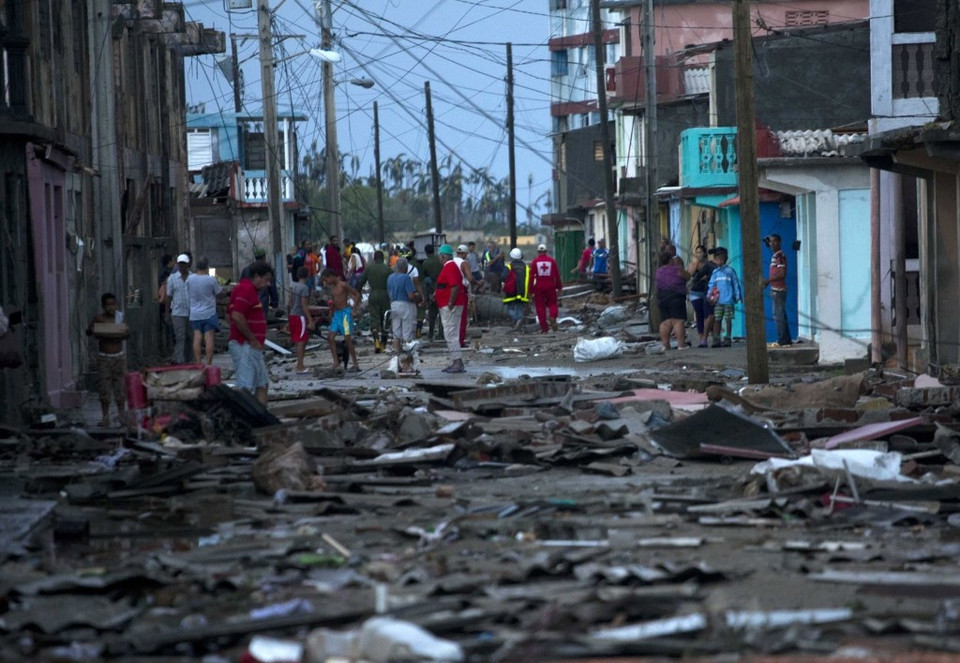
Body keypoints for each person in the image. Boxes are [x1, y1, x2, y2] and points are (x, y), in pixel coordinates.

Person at [228, 260, 273, 404]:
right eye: (266, 280)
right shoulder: (245, 289)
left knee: (262, 384)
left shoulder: (250, 291)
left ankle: (261, 419)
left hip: (251, 346)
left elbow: (230, 314)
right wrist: (252, 338)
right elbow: (236, 315)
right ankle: (246, 421)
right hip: (245, 345)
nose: (268, 284)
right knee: (246, 388)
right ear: (256, 276)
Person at [86, 293, 128, 427]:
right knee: (104, 388)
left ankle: (121, 416)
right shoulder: (99, 319)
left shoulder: (119, 318)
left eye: (113, 304)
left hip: (118, 357)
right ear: (104, 306)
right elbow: (90, 331)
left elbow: (126, 333)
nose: (111, 307)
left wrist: (119, 333)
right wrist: (96, 331)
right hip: (104, 358)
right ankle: (105, 417)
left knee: (120, 388)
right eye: (108, 305)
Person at [321, 268, 361, 373]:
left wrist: (354, 309)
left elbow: (356, 294)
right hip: (336, 314)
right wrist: (331, 312)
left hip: (345, 314)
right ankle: (336, 362)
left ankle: (355, 363)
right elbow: (334, 301)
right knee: (330, 337)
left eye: (326, 280)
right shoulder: (332, 288)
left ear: (331, 276)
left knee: (347, 339)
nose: (326, 282)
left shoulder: (342, 285)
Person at [435, 244, 466, 373]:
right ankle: (456, 361)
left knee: (450, 334)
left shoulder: (449, 267)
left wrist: (450, 302)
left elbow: (455, 286)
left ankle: (457, 362)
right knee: (452, 333)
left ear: (443, 256)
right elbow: (447, 285)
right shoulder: (451, 267)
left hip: (450, 306)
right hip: (450, 304)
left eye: (439, 256)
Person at [187, 256, 222, 366]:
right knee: (209, 338)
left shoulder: (190, 279)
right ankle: (209, 364)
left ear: (196, 266)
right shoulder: (210, 279)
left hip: (195, 313)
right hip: (209, 313)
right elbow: (219, 293)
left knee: (197, 337)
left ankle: (198, 363)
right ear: (207, 266)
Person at [705, 247, 742, 348]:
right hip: (718, 301)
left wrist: (737, 296)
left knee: (728, 320)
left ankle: (727, 338)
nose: (717, 262)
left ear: (723, 259)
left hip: (729, 301)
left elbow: (735, 284)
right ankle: (716, 339)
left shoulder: (730, 271)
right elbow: (711, 286)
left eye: (718, 259)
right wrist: (709, 296)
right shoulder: (715, 273)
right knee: (717, 319)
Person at [163, 253, 194, 364]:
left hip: (191, 313)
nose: (182, 266)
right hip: (177, 313)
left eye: (184, 264)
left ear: (187, 265)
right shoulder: (172, 278)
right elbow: (169, 296)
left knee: (190, 337)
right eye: (180, 264)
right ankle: (178, 360)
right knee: (180, 337)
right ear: (177, 264)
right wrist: (167, 314)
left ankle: (189, 359)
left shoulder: (192, 277)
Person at [762, 233, 792, 347]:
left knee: (778, 315)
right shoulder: (775, 255)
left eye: (774, 241)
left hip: (778, 289)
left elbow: (782, 273)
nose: (772, 243)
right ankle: (786, 339)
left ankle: (782, 340)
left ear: (779, 242)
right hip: (775, 288)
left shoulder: (780, 256)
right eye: (770, 241)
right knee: (781, 315)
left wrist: (768, 280)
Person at [656, 252, 690, 350]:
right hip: (676, 296)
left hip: (662, 297)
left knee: (665, 322)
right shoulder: (677, 269)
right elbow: (688, 276)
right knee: (678, 321)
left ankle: (665, 345)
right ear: (670, 260)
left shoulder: (658, 271)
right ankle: (681, 345)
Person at [359, 250, 392, 353]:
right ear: (383, 258)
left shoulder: (369, 268)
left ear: (374, 258)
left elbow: (361, 281)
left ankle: (376, 342)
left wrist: (358, 292)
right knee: (385, 319)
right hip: (385, 295)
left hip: (373, 295)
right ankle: (383, 344)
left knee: (374, 319)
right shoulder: (388, 269)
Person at [387, 258, 418, 354]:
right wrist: (417, 296)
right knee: (407, 332)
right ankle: (406, 358)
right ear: (405, 268)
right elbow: (411, 295)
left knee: (396, 332)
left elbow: (388, 293)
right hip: (405, 305)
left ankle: (395, 355)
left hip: (394, 305)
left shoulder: (390, 277)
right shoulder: (406, 278)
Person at [688, 244, 716, 348]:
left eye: (701, 252)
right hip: (695, 293)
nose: (699, 254)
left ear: (705, 253)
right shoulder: (693, 264)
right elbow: (690, 274)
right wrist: (697, 264)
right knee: (699, 315)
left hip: (707, 292)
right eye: (697, 252)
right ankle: (702, 339)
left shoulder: (709, 264)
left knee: (708, 315)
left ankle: (711, 336)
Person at [288, 266, 316, 373]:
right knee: (301, 341)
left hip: (292, 315)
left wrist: (288, 317)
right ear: (307, 275)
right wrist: (310, 320)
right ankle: (300, 366)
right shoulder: (304, 288)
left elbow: (289, 303)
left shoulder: (293, 286)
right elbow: (304, 305)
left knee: (300, 340)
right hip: (300, 316)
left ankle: (300, 364)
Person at [530, 243, 563, 333]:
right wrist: (559, 287)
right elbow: (557, 275)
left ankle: (544, 328)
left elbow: (531, 277)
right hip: (550, 286)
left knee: (540, 307)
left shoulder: (534, 262)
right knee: (553, 303)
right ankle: (553, 317)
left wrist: (530, 290)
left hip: (539, 287)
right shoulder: (552, 261)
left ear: (538, 252)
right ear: (546, 252)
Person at [455, 244, 481, 345]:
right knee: (462, 317)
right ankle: (460, 340)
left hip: (451, 290)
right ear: (465, 253)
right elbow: (470, 278)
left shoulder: (451, 261)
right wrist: (478, 283)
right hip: (461, 291)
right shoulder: (464, 263)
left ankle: (453, 340)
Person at [241, 247, 280, 316]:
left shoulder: (246, 269)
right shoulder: (267, 270)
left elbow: (241, 286)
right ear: (264, 257)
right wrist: (275, 303)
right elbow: (272, 288)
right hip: (262, 303)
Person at [502, 247, 530, 331]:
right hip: (522, 292)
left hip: (511, 291)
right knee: (519, 307)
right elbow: (529, 279)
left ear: (511, 257)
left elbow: (503, 277)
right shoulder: (526, 267)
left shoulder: (509, 266)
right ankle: (519, 321)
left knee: (510, 308)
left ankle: (517, 320)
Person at [420, 244, 443, 341]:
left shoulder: (426, 263)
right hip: (442, 288)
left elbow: (425, 277)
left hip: (431, 289)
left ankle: (430, 333)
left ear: (425, 252)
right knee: (442, 312)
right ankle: (441, 333)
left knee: (432, 313)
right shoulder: (440, 260)